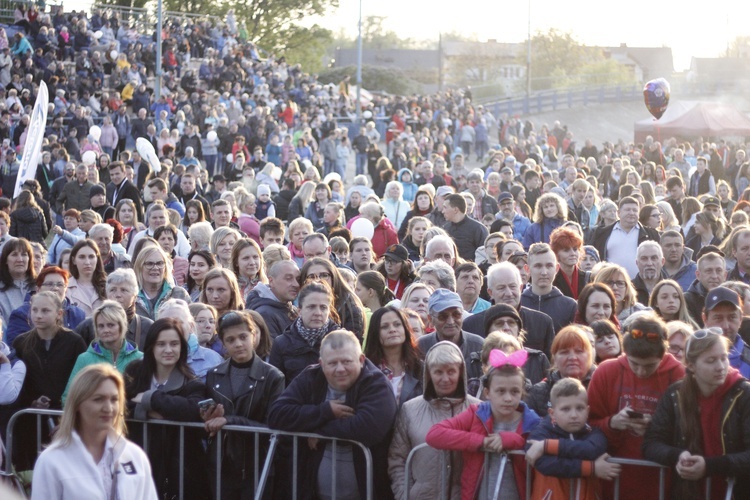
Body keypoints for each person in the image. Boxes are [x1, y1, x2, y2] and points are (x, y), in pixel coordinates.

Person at [269, 329, 398, 500]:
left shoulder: (376, 384)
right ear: (321, 364)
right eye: (332, 363)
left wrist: (318, 431)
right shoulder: (310, 377)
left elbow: (369, 428)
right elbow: (277, 415)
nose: (340, 369)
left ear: (361, 360)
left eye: (346, 361)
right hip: (312, 491)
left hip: (367, 491)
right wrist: (324, 411)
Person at [587, 313, 685, 500]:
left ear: (663, 355)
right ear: (625, 353)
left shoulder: (677, 374)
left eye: (649, 366)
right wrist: (613, 423)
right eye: (634, 364)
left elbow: (689, 429)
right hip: (614, 478)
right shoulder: (606, 372)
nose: (641, 371)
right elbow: (587, 424)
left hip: (660, 479)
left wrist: (656, 428)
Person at [643, 330, 750, 498]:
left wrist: (709, 466)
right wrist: (677, 456)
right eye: (711, 360)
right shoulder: (675, 394)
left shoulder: (744, 394)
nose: (721, 366)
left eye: (724, 358)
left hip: (736, 492)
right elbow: (651, 443)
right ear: (691, 365)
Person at [426, 348, 541, 500]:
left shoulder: (532, 422)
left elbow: (536, 465)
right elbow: (435, 434)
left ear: (522, 392)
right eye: (500, 391)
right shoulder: (476, 414)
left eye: (514, 392)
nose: (508, 398)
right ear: (487, 393)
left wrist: (512, 441)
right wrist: (481, 442)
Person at [31, 364, 158, 500]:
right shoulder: (51, 461)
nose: (108, 408)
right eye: (98, 399)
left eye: (114, 399)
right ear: (77, 403)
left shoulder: (135, 456)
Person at [201, 309, 285, 499]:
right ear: (223, 344)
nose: (238, 344)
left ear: (253, 336)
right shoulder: (214, 374)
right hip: (222, 464)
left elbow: (272, 426)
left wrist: (228, 420)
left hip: (257, 464)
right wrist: (208, 417)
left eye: (242, 337)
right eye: (230, 340)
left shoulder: (272, 376)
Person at [124, 318, 209, 500]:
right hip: (139, 460)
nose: (168, 350)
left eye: (174, 344)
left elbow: (192, 411)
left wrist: (150, 398)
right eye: (161, 344)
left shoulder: (191, 381)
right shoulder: (134, 372)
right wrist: (151, 412)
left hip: (180, 468)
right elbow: (120, 405)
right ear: (151, 347)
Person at [388, 341, 480, 500]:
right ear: (429, 374)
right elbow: (397, 460)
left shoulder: (479, 409)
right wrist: (405, 495)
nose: (445, 378)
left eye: (451, 371)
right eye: (438, 372)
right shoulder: (410, 410)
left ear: (461, 372)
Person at [525, 378, 620, 498]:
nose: (574, 415)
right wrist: (592, 468)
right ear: (552, 413)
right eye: (566, 409)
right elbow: (546, 464)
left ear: (587, 411)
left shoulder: (593, 432)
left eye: (580, 408)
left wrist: (546, 445)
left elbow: (591, 449)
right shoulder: (541, 432)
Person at [63, 301, 144, 403]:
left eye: (111, 325)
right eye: (101, 326)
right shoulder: (84, 359)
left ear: (122, 326)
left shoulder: (140, 359)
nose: (106, 330)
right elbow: (68, 398)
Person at [268, 281, 341, 385]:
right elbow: (275, 387)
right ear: (299, 311)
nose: (318, 313)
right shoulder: (282, 343)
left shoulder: (341, 340)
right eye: (311, 307)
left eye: (323, 307)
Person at [525, 325, 597, 416]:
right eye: (564, 352)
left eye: (579, 351)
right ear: (554, 358)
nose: (572, 358)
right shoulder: (538, 392)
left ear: (590, 355)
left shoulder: (602, 385)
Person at [417, 289, 485, 380]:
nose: (451, 321)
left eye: (456, 315)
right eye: (443, 317)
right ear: (430, 320)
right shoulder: (420, 347)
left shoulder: (479, 345)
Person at [363, 306, 423, 407]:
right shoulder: (366, 370)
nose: (392, 330)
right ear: (375, 333)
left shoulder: (420, 368)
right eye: (384, 327)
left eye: (397, 325)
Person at [590, 196, 660, 279]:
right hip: (610, 283)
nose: (631, 213)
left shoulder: (651, 235)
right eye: (627, 210)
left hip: (641, 285)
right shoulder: (602, 233)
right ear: (619, 213)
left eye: (635, 210)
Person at [299, 257, 366, 339]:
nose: (319, 280)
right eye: (312, 277)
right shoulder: (298, 306)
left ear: (333, 277)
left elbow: (352, 345)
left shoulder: (351, 308)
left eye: (324, 275)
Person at [521, 243, 577, 333]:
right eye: (538, 266)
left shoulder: (570, 306)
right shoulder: (518, 303)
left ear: (557, 269)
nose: (544, 272)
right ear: (527, 269)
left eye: (549, 266)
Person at [702, 286, 750, 378]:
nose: (725, 326)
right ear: (705, 319)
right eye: (718, 318)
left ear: (740, 319)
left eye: (732, 317)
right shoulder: (691, 357)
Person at [245, 259, 300, 339]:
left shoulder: (290, 308)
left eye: (298, 279)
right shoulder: (264, 314)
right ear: (271, 281)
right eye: (288, 278)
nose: (296, 284)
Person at [133, 245, 190, 320]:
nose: (155, 268)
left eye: (160, 263)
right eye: (149, 264)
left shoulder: (179, 294)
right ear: (139, 267)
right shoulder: (130, 296)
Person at [0, 237, 37, 324]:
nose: (20, 260)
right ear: (5, 260)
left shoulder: (40, 285)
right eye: (14, 255)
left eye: (24, 255)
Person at [685, 251, 727, 327]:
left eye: (718, 271)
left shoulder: (733, 298)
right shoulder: (687, 300)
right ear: (698, 275)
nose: (714, 276)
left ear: (725, 275)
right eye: (709, 271)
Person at [66, 239, 107, 316]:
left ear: (97, 259)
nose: (87, 262)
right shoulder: (66, 288)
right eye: (82, 257)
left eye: (91, 257)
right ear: (73, 260)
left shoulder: (108, 286)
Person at [442, 193, 488, 262]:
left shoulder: (478, 229)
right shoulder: (445, 229)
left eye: (445, 207)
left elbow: (485, 256)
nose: (443, 211)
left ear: (455, 210)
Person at [550, 226, 587, 300]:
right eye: (566, 250)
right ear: (556, 253)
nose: (573, 253)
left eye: (575, 249)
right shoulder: (551, 279)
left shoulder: (587, 277)